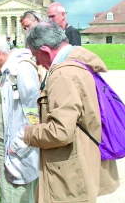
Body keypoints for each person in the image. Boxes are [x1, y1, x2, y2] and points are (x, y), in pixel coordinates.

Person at [24, 21, 119, 203]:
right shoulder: (79, 63)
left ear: (45, 50)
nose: (36, 62)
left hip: (69, 172)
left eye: (35, 55)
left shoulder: (63, 75)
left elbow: (60, 132)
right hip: (83, 160)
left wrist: (29, 133)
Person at [0, 33, 39, 203]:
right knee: (9, 190)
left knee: (16, 193)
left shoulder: (22, 69)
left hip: (17, 144)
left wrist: (19, 144)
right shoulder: (7, 69)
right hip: (7, 140)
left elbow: (33, 113)